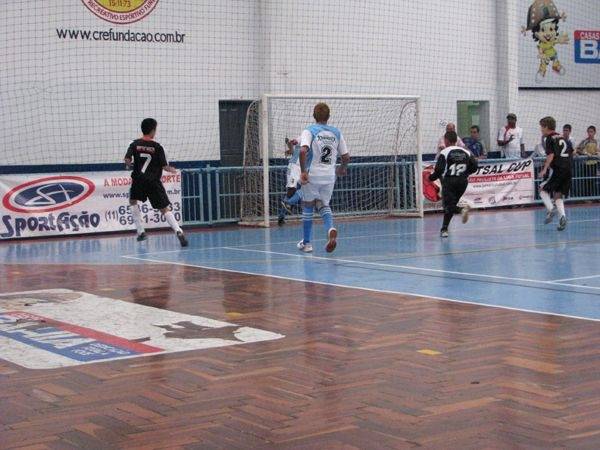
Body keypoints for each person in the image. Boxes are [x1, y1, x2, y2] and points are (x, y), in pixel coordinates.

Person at [124, 118, 188, 246]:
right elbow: (165, 167)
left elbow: (127, 159)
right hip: (153, 181)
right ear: (153, 130)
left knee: (132, 201)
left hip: (138, 180)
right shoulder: (158, 147)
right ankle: (178, 231)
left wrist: (128, 164)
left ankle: (141, 231)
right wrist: (173, 170)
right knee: (164, 208)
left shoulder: (134, 144)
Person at [297, 103, 350, 253]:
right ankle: (330, 228)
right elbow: (346, 156)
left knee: (308, 206)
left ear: (314, 116)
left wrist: (303, 171)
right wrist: (342, 168)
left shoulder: (310, 131)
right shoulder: (336, 132)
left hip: (313, 173)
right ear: (328, 117)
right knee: (323, 204)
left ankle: (307, 243)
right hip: (329, 176)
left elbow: (302, 151)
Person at [429, 131, 478, 237]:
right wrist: (465, 173)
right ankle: (444, 229)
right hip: (462, 183)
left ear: (446, 140)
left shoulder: (445, 152)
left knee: (448, 206)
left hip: (450, 182)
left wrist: (431, 178)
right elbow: (474, 167)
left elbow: (439, 170)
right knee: (450, 206)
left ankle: (461, 210)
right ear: (456, 140)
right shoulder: (466, 152)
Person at [539, 116, 573, 231]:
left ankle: (550, 209)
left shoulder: (549, 138)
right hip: (568, 169)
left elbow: (551, 155)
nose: (541, 129)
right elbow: (571, 151)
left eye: (541, 127)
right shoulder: (562, 137)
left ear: (546, 127)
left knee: (542, 189)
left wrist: (544, 169)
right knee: (558, 194)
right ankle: (562, 217)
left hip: (559, 169)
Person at [278, 137, 303, 226]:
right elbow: (292, 144)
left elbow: (293, 151)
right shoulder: (302, 138)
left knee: (305, 189)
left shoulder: (315, 143)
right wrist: (289, 143)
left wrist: (290, 150)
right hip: (294, 168)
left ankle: (283, 213)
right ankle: (283, 213)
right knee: (291, 192)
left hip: (302, 169)